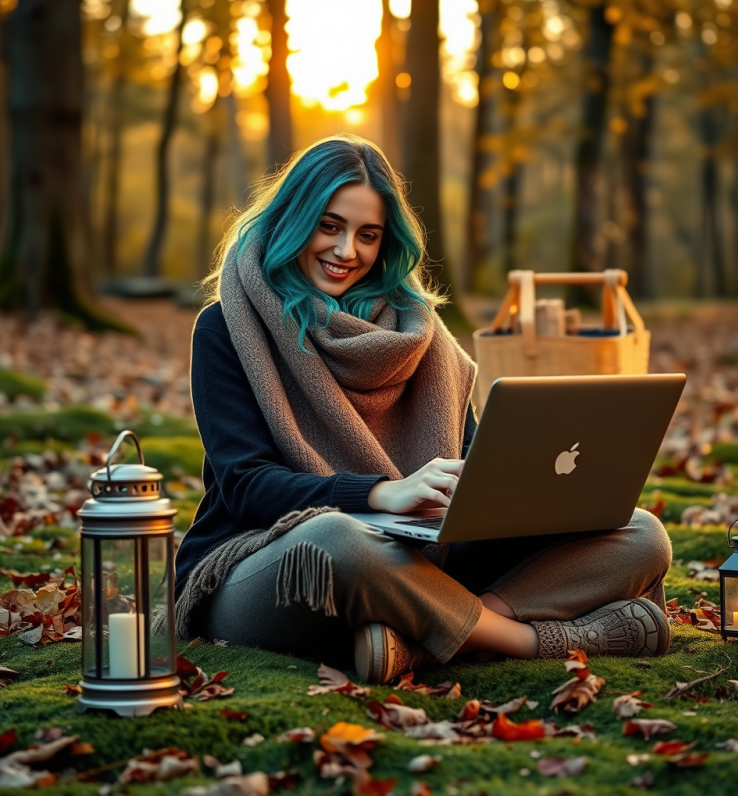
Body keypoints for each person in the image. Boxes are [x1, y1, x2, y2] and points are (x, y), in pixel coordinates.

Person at [174, 133, 673, 685]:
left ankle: (420, 643)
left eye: (368, 235)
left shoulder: (421, 335)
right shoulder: (227, 326)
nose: (347, 251)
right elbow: (245, 484)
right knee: (340, 538)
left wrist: (499, 494)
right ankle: (523, 639)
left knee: (640, 533)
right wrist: (380, 493)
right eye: (329, 226)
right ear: (294, 220)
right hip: (267, 561)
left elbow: (470, 462)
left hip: (423, 556)